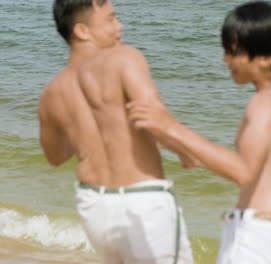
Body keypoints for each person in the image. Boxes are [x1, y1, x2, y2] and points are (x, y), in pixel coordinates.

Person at [127, 1, 271, 264]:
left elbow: (243, 170)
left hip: (254, 240)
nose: (225, 59)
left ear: (265, 57)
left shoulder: (266, 101)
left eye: (234, 52)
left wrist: (170, 127)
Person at [39, 0, 194, 263]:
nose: (119, 26)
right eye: (110, 19)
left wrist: (86, 132)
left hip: (95, 207)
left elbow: (56, 157)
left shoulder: (52, 93)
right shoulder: (124, 58)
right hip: (143, 202)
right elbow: (155, 116)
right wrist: (186, 149)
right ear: (82, 31)